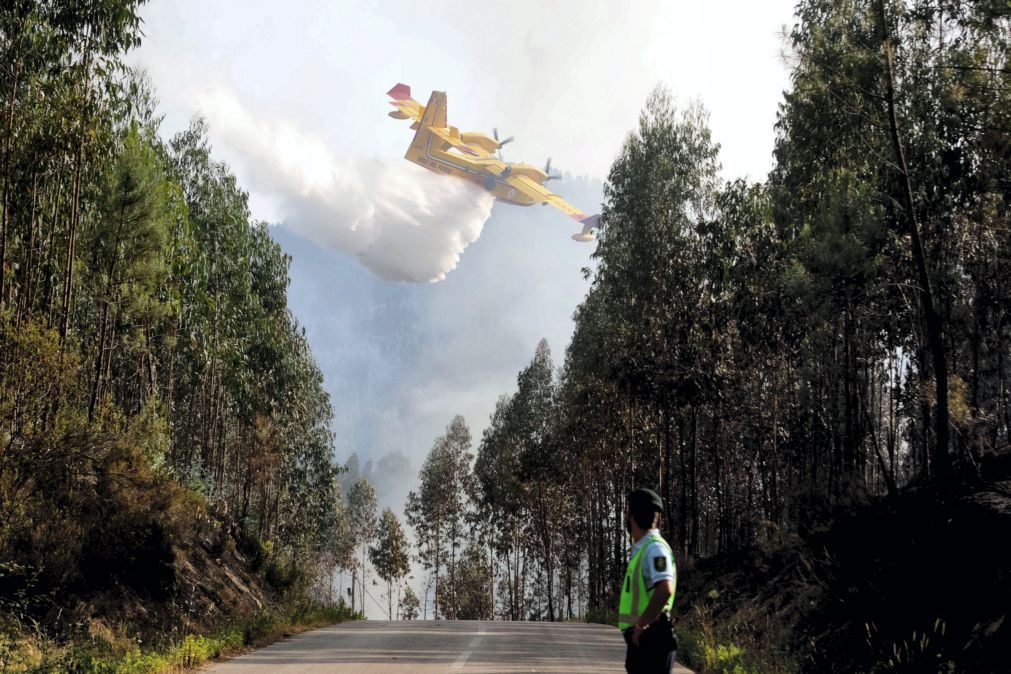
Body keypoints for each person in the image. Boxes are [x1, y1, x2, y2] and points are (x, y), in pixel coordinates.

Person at [618, 487, 678, 674]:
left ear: (632, 516)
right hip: (645, 638)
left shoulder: (654, 550)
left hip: (652, 637)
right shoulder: (643, 550)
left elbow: (665, 589)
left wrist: (641, 625)